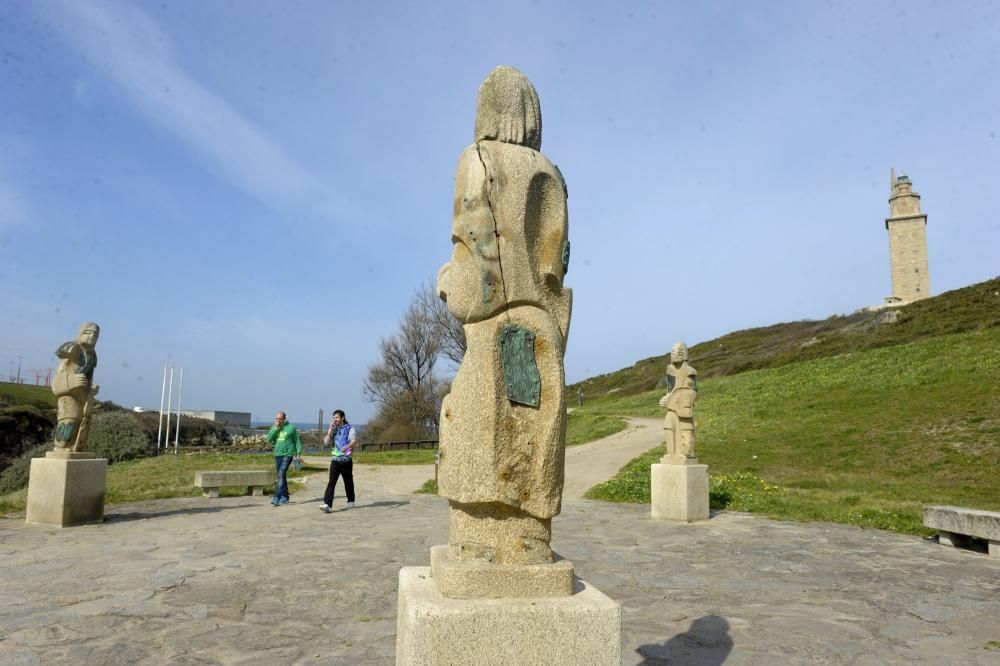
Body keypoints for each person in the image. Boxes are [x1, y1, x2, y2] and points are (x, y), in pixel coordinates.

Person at [319, 409, 356, 513]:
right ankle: (327, 505)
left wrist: (347, 446)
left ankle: (351, 500)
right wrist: (329, 432)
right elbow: (326, 443)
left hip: (346, 460)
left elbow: (353, 440)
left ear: (342, 418)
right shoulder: (333, 429)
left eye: (337, 417)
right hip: (335, 459)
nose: (335, 419)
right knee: (331, 482)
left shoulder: (350, 428)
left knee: (348, 481)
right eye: (334, 418)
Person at [265, 411, 301, 506]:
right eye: (277, 418)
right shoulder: (274, 427)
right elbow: (269, 439)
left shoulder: (291, 428)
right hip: (278, 454)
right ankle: (285, 497)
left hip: (288, 454)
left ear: (284, 419)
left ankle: (277, 496)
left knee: (281, 473)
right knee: (281, 476)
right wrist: (276, 428)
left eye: (280, 419)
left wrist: (298, 453)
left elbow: (297, 441)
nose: (278, 420)